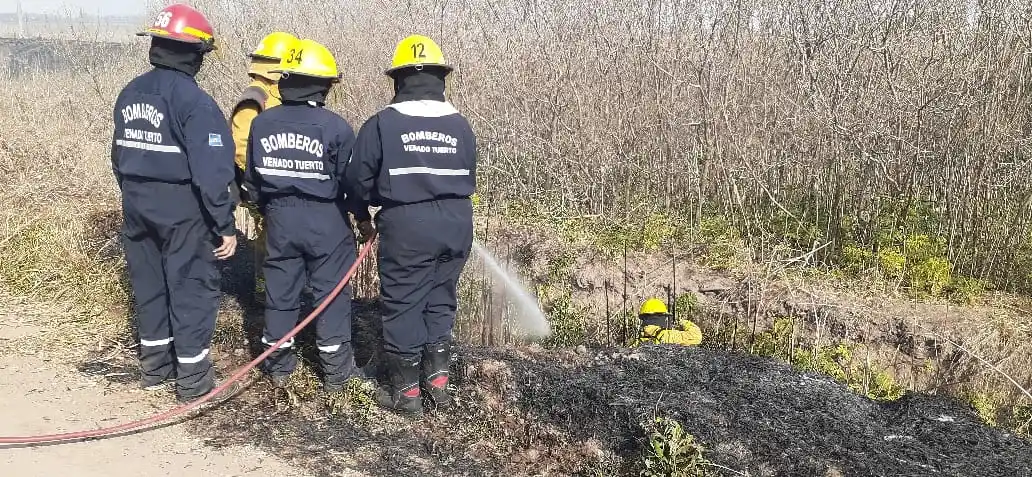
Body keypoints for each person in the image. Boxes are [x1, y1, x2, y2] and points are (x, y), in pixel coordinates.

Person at [112, 3, 238, 403]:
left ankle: (155, 367)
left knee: (149, 285)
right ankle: (194, 382)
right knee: (191, 288)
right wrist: (224, 223)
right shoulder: (194, 102)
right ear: (195, 52)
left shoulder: (130, 92)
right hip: (183, 209)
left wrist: (133, 192)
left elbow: (118, 154)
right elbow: (212, 170)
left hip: (135, 203)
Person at [346, 34, 476, 415]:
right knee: (440, 298)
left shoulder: (382, 124)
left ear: (398, 80)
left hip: (408, 222)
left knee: (403, 305)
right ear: (440, 78)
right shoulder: (460, 124)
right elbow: (471, 172)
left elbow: (357, 180)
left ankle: (406, 396)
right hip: (456, 221)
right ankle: (439, 386)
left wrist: (361, 215)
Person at [242, 38, 366, 392]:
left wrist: (269, 211)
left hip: (279, 219)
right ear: (324, 84)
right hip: (326, 221)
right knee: (331, 294)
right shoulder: (336, 127)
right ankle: (337, 374)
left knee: (281, 292)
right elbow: (352, 183)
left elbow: (252, 180)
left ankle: (279, 367)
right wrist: (361, 218)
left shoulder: (263, 124)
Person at [230, 31, 299, 303]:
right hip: (264, 188)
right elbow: (242, 149)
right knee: (270, 238)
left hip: (277, 185)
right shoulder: (255, 99)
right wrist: (265, 184)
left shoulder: (276, 97)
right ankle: (265, 291)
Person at [633, 298, 703, 346]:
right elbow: (696, 336)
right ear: (661, 317)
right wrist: (681, 322)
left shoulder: (636, 341)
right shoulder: (667, 336)